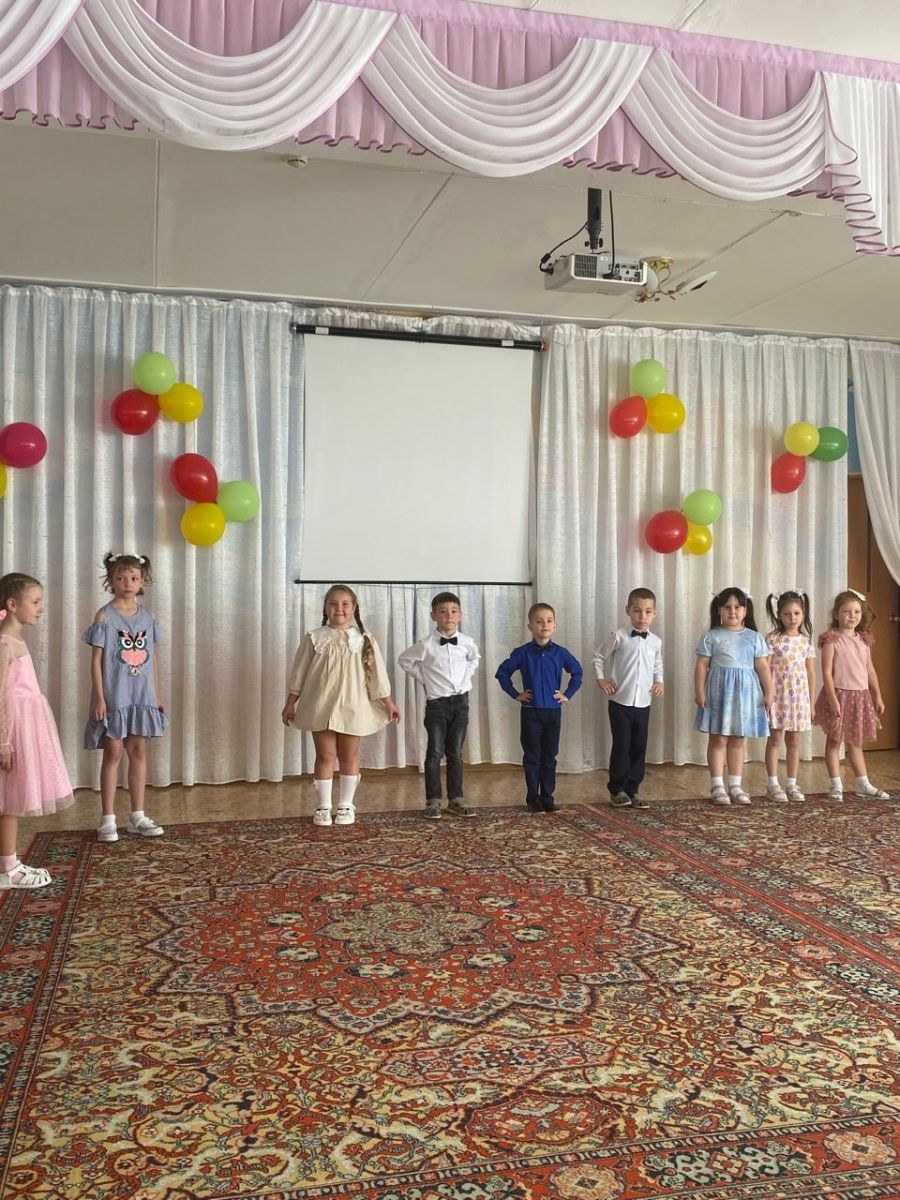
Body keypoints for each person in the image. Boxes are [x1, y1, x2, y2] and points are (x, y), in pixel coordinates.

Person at [282, 584, 400, 826]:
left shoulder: (364, 639)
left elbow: (376, 675)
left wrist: (388, 702)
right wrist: (290, 703)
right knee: (325, 754)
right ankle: (323, 806)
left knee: (349, 754)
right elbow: (299, 673)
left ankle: (346, 805)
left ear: (354, 608)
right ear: (326, 608)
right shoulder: (314, 638)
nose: (339, 608)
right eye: (333, 603)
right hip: (321, 706)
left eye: (345, 604)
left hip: (353, 706)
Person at [84, 552, 167, 842]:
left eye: (133, 577)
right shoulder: (104, 616)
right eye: (121, 578)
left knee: (138, 751)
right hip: (114, 696)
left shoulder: (148, 617)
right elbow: (96, 661)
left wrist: (155, 694)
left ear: (143, 580)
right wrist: (99, 698)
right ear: (111, 580)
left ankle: (137, 816)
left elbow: (152, 659)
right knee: (113, 752)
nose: (127, 583)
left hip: (141, 696)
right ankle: (107, 819)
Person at [0, 573, 73, 889]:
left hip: (21, 726)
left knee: (9, 800)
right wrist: (3, 741)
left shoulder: (14, 641)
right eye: (35, 602)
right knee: (7, 800)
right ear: (12, 604)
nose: (40, 608)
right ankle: (8, 870)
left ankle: (9, 863)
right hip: (12, 729)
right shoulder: (5, 644)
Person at [398, 591, 480, 819]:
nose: (449, 616)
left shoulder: (467, 642)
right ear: (433, 616)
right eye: (443, 612)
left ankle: (456, 799)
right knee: (434, 751)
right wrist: (425, 679)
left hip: (461, 703)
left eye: (453, 611)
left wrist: (465, 678)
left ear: (460, 615)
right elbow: (404, 660)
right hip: (437, 705)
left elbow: (474, 660)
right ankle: (433, 800)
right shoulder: (426, 645)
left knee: (455, 752)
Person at [496, 603, 582, 812]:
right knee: (532, 756)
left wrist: (567, 694)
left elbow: (577, 673)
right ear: (530, 626)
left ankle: (548, 797)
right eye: (539, 621)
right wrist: (516, 694)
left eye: (549, 621)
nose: (544, 625)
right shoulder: (522, 653)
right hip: (531, 712)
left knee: (550, 756)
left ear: (555, 626)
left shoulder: (561, 653)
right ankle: (533, 798)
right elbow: (502, 673)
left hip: (553, 712)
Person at [694, 586, 772, 806]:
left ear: (746, 610)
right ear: (719, 610)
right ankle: (717, 785)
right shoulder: (711, 636)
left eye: (738, 607)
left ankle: (736, 785)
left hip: (745, 696)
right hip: (719, 694)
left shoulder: (754, 638)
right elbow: (701, 666)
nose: (732, 611)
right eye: (727, 607)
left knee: (738, 739)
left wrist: (769, 692)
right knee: (718, 738)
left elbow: (763, 667)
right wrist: (699, 692)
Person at [813, 589, 890, 800]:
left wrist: (877, 695)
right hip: (839, 695)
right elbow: (827, 672)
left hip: (860, 697)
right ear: (836, 614)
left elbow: (870, 670)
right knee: (834, 741)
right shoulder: (832, 640)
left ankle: (863, 784)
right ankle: (835, 785)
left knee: (856, 743)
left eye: (856, 612)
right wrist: (832, 699)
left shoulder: (864, 640)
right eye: (846, 611)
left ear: (861, 614)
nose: (852, 616)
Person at [593, 587, 664, 810]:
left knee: (639, 746)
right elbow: (598, 656)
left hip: (643, 702)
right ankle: (617, 789)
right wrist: (601, 679)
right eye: (637, 611)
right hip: (620, 701)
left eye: (648, 611)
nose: (642, 616)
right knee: (621, 745)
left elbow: (657, 664)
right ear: (628, 611)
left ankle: (633, 789)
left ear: (654, 614)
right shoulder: (619, 636)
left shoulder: (655, 641)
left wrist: (659, 681)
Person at [764, 589, 816, 802]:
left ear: (803, 614)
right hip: (778, 697)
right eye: (787, 614)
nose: (792, 618)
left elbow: (810, 672)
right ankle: (772, 784)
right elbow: (765, 668)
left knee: (794, 740)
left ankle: (792, 783)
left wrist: (811, 703)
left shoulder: (806, 641)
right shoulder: (773, 639)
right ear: (779, 615)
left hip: (799, 699)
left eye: (796, 613)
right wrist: (766, 694)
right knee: (775, 738)